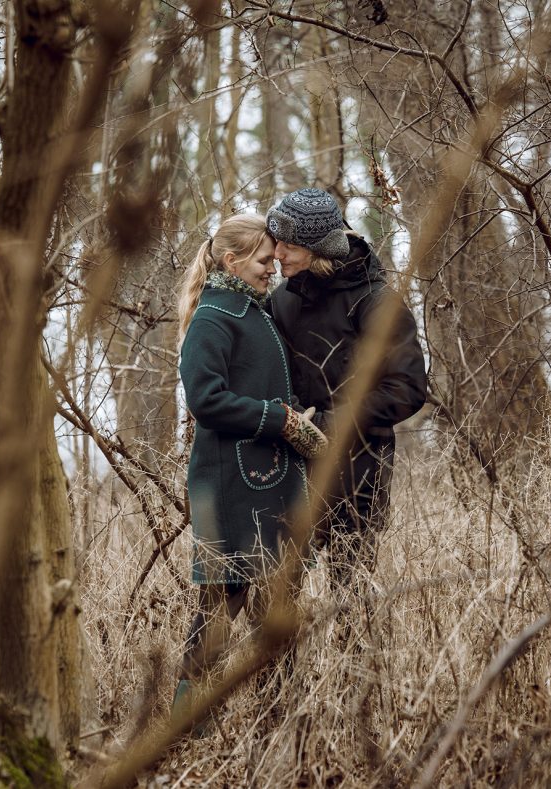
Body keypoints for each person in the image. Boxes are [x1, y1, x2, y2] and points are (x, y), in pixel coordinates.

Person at [174, 214, 327, 725]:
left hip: (266, 483)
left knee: (274, 609)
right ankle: (186, 727)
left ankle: (279, 725)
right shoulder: (214, 317)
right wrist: (278, 421)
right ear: (231, 262)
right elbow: (205, 400)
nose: (273, 270)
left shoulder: (252, 311)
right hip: (231, 488)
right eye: (264, 261)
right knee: (222, 607)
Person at [266, 188, 427, 613]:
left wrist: (327, 426)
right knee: (275, 600)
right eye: (275, 239)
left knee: (353, 601)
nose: (276, 251)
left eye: (289, 244)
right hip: (286, 469)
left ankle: (359, 680)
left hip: (359, 470)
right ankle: (280, 681)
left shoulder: (376, 303)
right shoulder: (280, 300)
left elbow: (408, 390)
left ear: (318, 248)